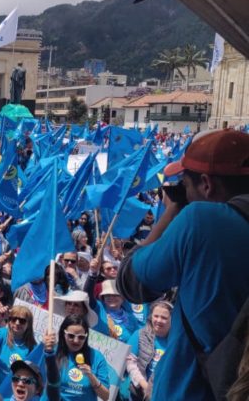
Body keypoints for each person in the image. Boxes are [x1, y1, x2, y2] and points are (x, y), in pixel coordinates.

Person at [117, 129, 249, 400]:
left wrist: (172, 211)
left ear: (206, 184)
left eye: (186, 185)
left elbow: (131, 282)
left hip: (193, 389)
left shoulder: (202, 220)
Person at [48, 315, 110, 400]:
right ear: (63, 333)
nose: (76, 341)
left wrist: (91, 377)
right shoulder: (52, 353)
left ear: (86, 336)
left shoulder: (97, 357)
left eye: (81, 337)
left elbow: (105, 396)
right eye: (71, 336)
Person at [125, 301, 173, 401]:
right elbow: (129, 363)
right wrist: (145, 386)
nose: (159, 320)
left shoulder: (176, 340)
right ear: (151, 317)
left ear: (172, 319)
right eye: (156, 316)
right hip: (139, 393)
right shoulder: (139, 334)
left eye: (164, 318)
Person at [0, 305, 36, 389]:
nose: (17, 323)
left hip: (11, 393)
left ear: (28, 324)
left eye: (22, 321)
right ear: (9, 321)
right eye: (14, 319)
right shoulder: (3, 333)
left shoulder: (32, 347)